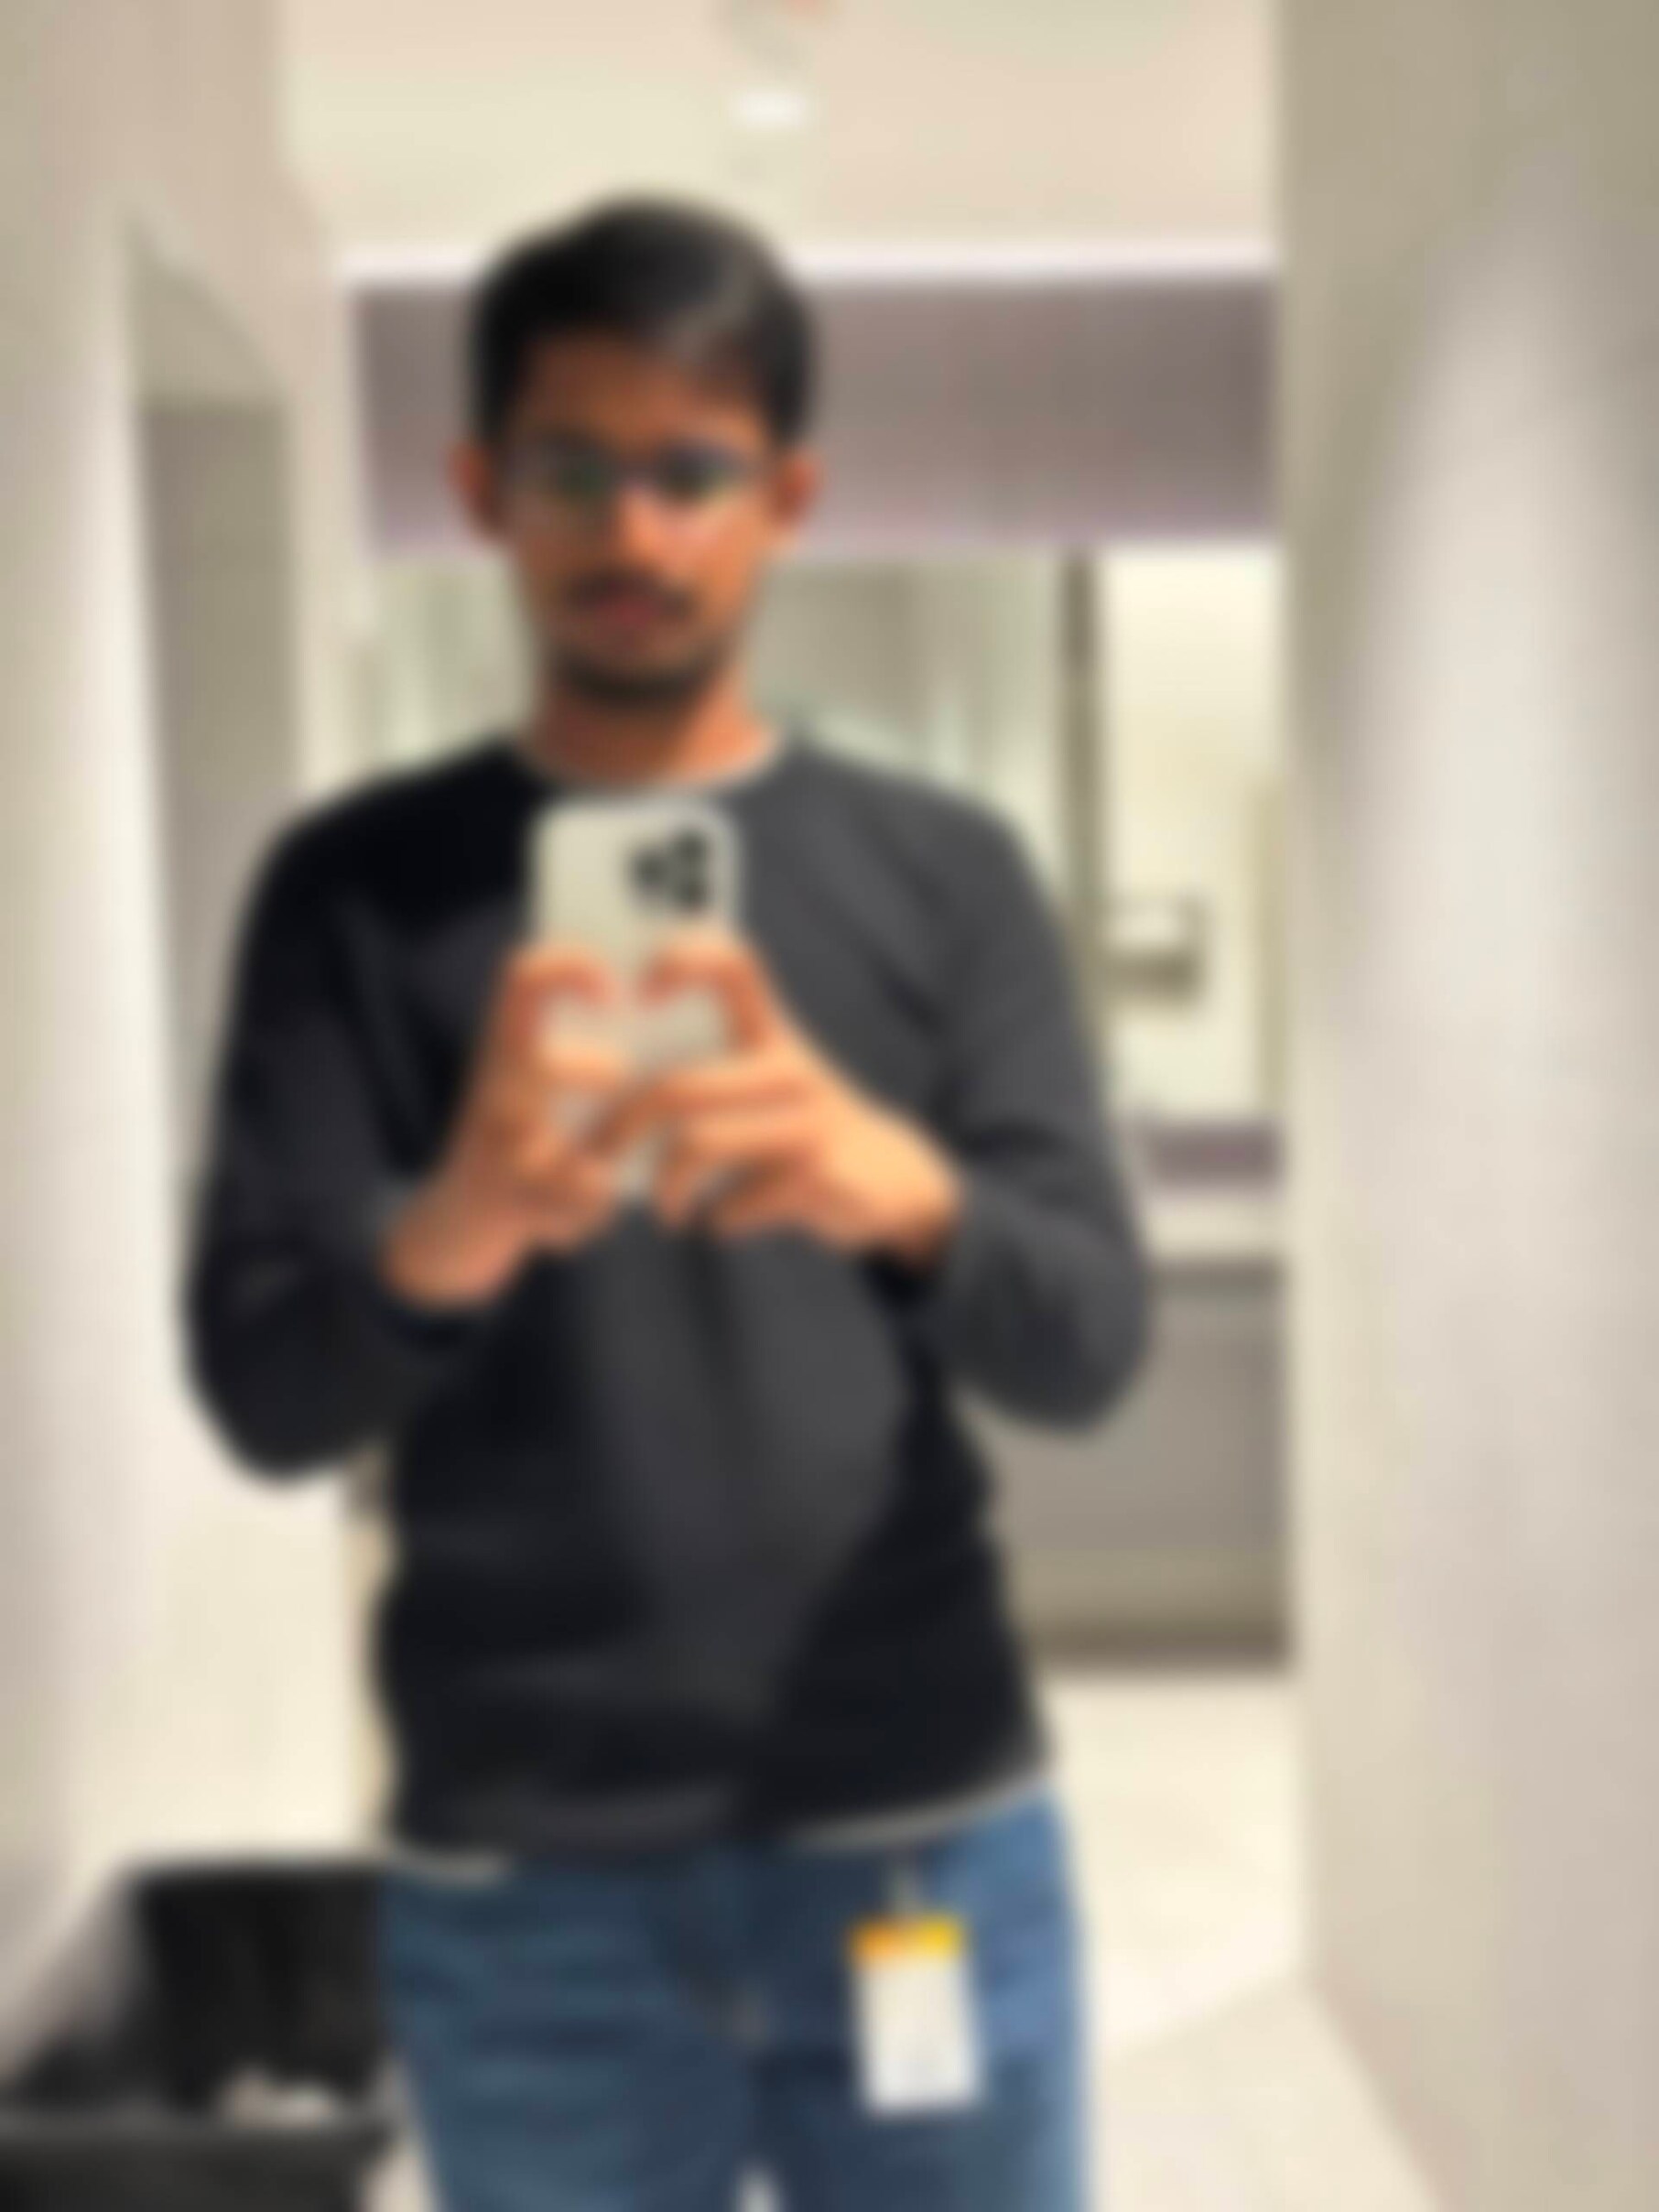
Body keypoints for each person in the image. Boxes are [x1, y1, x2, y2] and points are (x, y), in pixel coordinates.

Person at [183, 191, 1153, 2212]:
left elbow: (1087, 1343)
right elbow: (265, 1391)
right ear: (480, 491)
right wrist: (449, 1228)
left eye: (694, 471)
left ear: (788, 497)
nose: (635, 534)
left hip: (915, 1832)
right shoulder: (354, 892)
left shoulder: (945, 873)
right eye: (573, 469)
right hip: (524, 1890)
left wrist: (903, 1188)